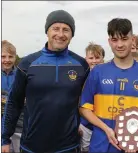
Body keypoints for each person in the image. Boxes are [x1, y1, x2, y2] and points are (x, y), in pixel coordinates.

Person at [1, 10, 89, 153]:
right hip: (32, 146)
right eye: (55, 28)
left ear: (72, 34)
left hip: (68, 146)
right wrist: (5, 138)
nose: (60, 34)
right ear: (47, 31)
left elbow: (87, 102)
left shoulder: (81, 65)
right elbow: (14, 102)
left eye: (66, 30)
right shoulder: (27, 64)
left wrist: (83, 124)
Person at [79, 18, 138, 153]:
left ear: (132, 40)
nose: (119, 45)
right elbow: (84, 108)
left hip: (132, 149)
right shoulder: (98, 72)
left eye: (124, 39)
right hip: (100, 147)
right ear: (109, 42)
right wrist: (106, 129)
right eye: (114, 40)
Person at [79, 42, 105, 153]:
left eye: (97, 57)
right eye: (91, 58)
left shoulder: (108, 76)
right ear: (86, 59)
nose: (94, 61)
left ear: (103, 59)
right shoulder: (80, 77)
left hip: (103, 124)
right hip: (85, 124)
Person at [1, 40, 24, 153]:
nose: (7, 60)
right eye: (3, 56)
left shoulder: (21, 75)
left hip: (18, 125)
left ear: (15, 57)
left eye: (10, 56)